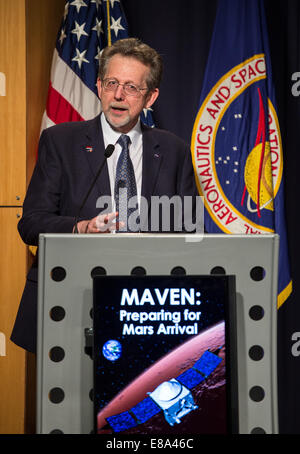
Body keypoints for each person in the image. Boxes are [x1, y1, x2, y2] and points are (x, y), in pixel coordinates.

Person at [10, 38, 199, 353]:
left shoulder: (173, 150)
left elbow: (192, 233)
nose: (119, 95)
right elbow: (30, 223)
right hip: (72, 300)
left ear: (150, 97)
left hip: (149, 307)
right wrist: (80, 228)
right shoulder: (61, 142)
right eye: (111, 83)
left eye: (131, 87)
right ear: (98, 86)